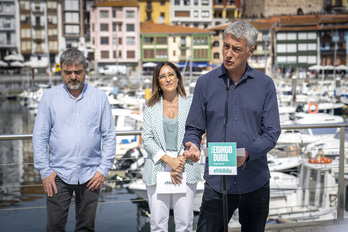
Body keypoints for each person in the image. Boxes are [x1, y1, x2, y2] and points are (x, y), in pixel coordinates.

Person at [183, 21, 281, 232]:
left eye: (236, 49)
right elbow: (194, 127)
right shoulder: (204, 83)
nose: (228, 54)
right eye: (226, 46)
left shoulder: (265, 85)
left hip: (255, 180)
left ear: (250, 51)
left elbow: (272, 132)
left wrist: (247, 154)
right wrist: (192, 143)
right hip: (217, 183)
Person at [32, 48, 116, 231]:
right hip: (57, 175)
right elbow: (39, 137)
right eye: (67, 72)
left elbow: (109, 135)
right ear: (61, 72)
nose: (73, 76)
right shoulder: (49, 98)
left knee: (86, 228)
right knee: (54, 227)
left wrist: (103, 170)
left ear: (85, 71)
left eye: (78, 72)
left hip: (91, 174)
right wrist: (45, 172)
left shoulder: (99, 97)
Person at [142, 62, 201, 232]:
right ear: (158, 81)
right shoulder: (150, 108)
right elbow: (147, 139)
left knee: (185, 224)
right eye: (162, 76)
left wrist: (179, 161)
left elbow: (196, 133)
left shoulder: (190, 105)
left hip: (185, 165)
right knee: (158, 224)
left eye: (171, 75)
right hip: (157, 166)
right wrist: (169, 160)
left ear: (177, 78)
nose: (167, 79)